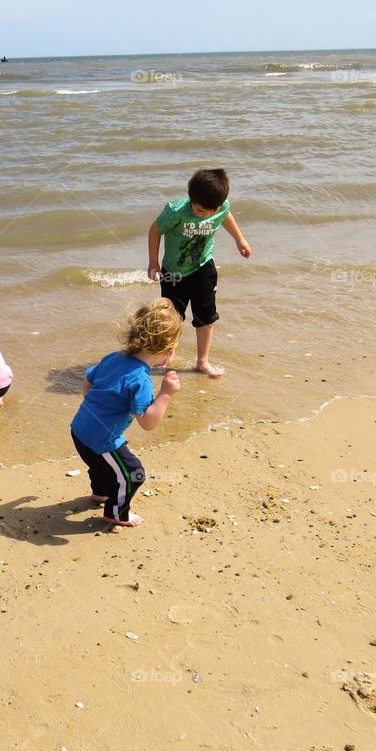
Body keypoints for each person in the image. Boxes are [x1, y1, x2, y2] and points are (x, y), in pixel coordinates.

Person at [70, 299, 181, 527]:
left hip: (79, 429)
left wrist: (98, 411)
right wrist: (166, 394)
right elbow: (147, 422)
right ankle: (117, 512)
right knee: (133, 473)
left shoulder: (113, 357)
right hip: (102, 439)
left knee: (100, 464)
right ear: (167, 352)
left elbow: (86, 385)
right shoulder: (141, 379)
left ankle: (100, 493)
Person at [147, 168, 251, 378]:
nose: (200, 213)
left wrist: (240, 240)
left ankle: (202, 361)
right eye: (197, 208)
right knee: (171, 316)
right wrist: (153, 262)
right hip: (173, 271)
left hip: (203, 267)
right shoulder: (175, 211)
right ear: (190, 198)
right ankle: (168, 353)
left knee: (206, 316)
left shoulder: (222, 208)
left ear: (217, 207)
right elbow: (155, 230)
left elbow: (226, 216)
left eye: (205, 212)